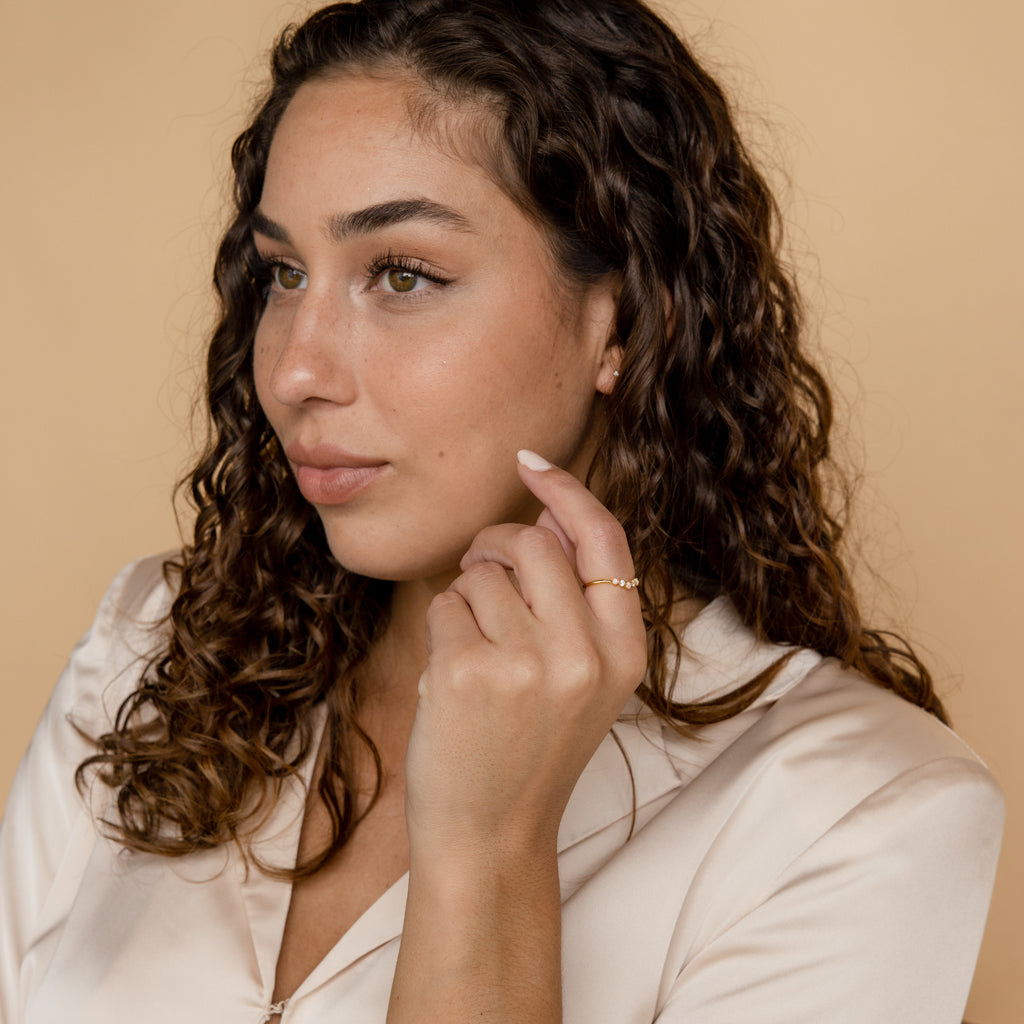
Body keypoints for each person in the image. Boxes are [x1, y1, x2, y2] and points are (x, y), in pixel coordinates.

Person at [0, 0, 1003, 1021]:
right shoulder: (146, 652)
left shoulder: (861, 815)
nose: (294, 367)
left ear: (623, 317)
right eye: (282, 274)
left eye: (402, 274)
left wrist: (489, 846)